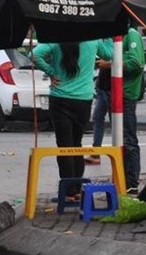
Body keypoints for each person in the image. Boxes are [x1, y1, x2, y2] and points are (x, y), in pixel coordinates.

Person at [32, 40, 100, 202]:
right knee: (77, 144)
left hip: (60, 99)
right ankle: (76, 189)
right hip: (84, 100)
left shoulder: (56, 38)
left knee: (64, 147)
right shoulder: (93, 39)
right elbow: (110, 53)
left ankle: (69, 191)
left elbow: (34, 55)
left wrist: (50, 71)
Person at [93, 27, 146, 195]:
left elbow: (136, 63)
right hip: (112, 93)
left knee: (128, 139)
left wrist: (109, 64)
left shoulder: (131, 35)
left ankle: (131, 183)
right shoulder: (111, 37)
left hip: (126, 95)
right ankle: (121, 179)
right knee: (118, 139)